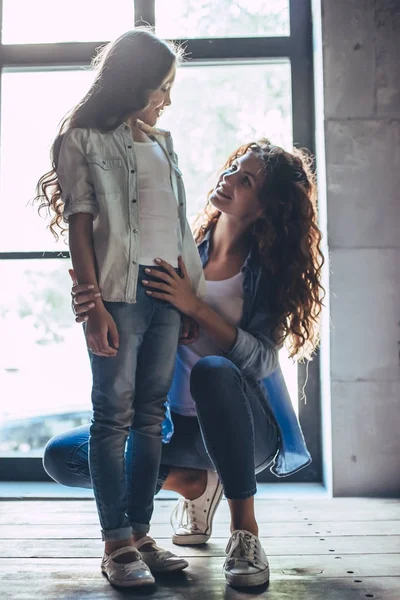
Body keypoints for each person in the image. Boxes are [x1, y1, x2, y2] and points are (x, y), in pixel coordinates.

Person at [44, 137, 325, 589]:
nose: (229, 177)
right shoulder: (182, 250)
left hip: (244, 431)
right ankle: (192, 483)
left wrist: (196, 308)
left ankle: (244, 532)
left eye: (246, 179)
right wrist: (89, 293)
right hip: (171, 427)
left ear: (267, 207)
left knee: (213, 372)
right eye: (234, 167)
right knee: (63, 457)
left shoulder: (268, 271)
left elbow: (262, 362)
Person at [34, 28, 206, 588]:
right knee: (114, 416)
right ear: (135, 81)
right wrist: (91, 306)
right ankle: (116, 545)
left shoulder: (163, 142)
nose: (167, 99)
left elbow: (176, 226)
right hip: (117, 290)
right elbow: (81, 226)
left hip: (167, 289)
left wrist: (188, 299)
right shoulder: (82, 139)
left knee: (150, 419)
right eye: (162, 86)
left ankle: (140, 533)